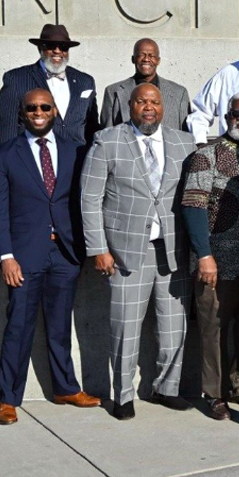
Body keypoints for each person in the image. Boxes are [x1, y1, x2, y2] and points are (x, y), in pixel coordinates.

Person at [81, 84, 196, 421]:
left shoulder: (184, 143)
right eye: (141, 101)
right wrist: (98, 248)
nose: (149, 107)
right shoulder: (107, 140)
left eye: (154, 102)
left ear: (164, 107)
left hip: (173, 250)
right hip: (126, 253)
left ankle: (167, 389)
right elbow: (90, 198)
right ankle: (123, 395)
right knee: (125, 329)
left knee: (174, 328)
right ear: (129, 105)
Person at [0, 88, 101, 425]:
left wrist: (88, 247)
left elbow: (86, 201)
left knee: (60, 325)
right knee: (18, 327)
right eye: (31, 108)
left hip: (65, 253)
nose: (38, 112)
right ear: (22, 113)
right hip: (23, 256)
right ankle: (8, 398)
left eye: (44, 107)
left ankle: (65, 388)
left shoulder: (76, 150)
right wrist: (6, 256)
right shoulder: (4, 154)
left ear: (54, 112)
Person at [181, 94, 239, 420]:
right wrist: (204, 255)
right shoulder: (205, 155)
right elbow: (193, 206)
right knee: (213, 330)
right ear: (226, 116)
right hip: (217, 261)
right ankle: (215, 393)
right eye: (236, 112)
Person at [0, 24, 98, 145]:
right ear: (40, 48)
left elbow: (92, 128)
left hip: (77, 154)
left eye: (64, 47)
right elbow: (6, 127)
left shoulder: (85, 81)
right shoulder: (17, 79)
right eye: (51, 46)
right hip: (34, 154)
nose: (57, 51)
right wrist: (8, 155)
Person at [100, 38, 191, 132]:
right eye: (141, 55)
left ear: (158, 60)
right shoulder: (113, 92)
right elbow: (107, 133)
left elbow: (185, 134)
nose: (146, 59)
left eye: (152, 56)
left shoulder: (179, 93)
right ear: (133, 59)